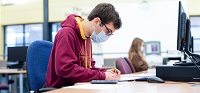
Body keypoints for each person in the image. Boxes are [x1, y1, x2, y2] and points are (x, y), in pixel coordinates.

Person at [46, 3, 122, 88]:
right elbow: (65, 70)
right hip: (60, 89)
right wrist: (103, 76)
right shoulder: (66, 34)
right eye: (108, 31)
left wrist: (106, 72)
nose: (107, 36)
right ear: (97, 21)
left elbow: (89, 69)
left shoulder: (87, 38)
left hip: (77, 87)